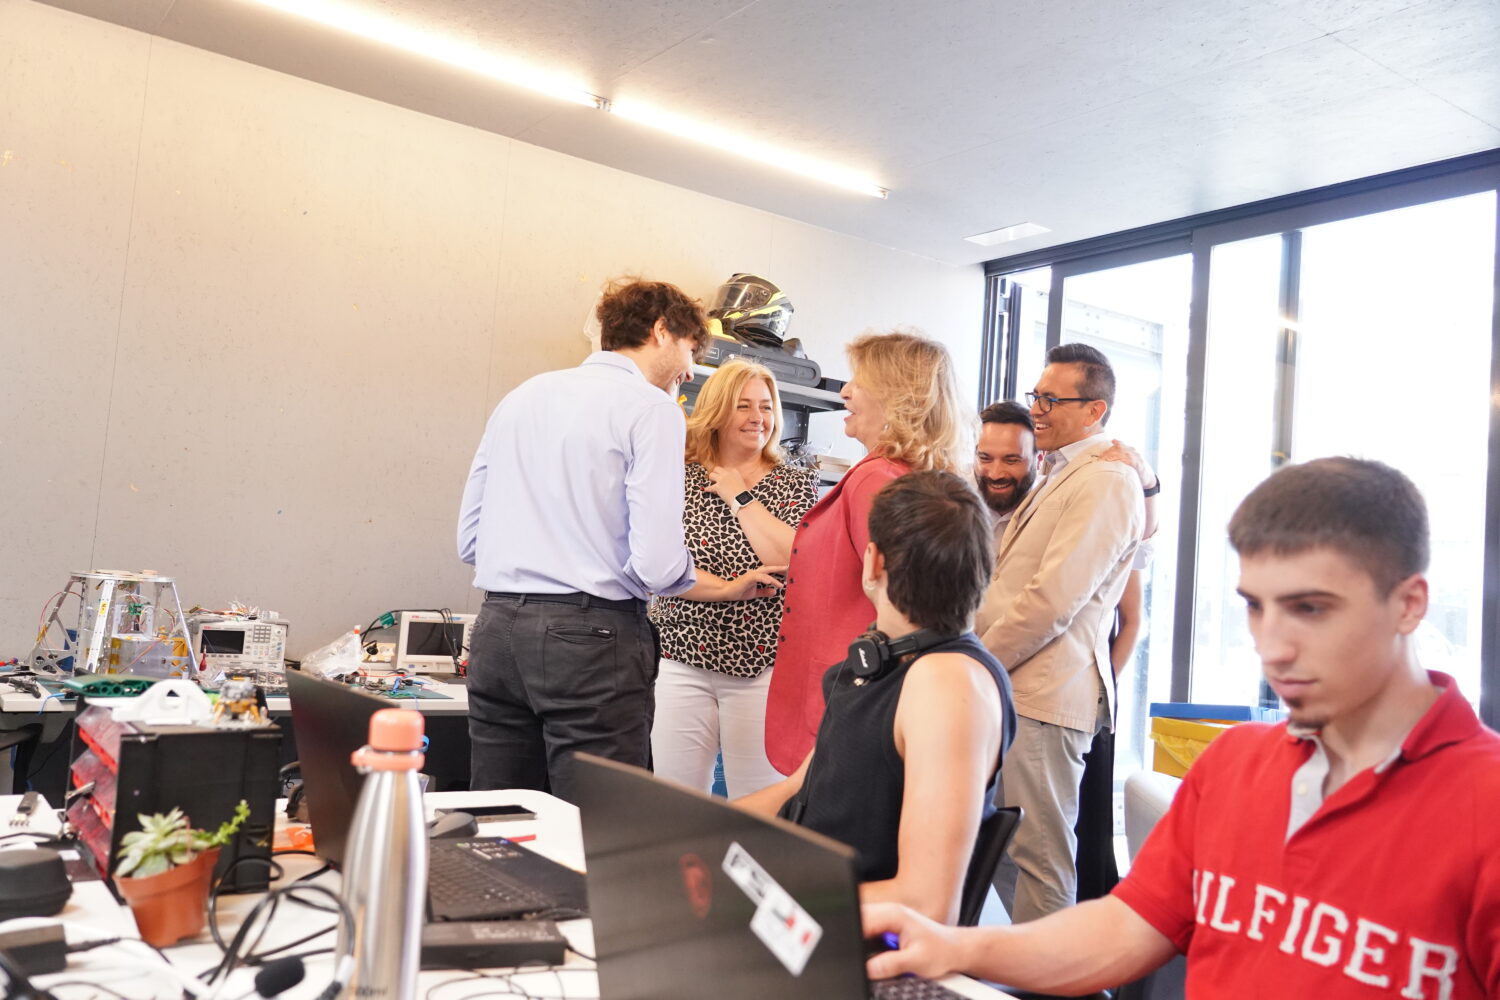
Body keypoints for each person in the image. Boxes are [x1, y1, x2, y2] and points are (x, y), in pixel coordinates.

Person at [864, 457, 1500, 1000]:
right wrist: (957, 948)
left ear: (1409, 604)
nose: (1272, 647)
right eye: (1256, 607)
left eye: (1310, 609)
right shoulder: (1233, 764)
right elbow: (1125, 929)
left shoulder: (1484, 804)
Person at [457, 278, 780, 802]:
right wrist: (704, 584)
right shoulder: (651, 408)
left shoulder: (521, 396)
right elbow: (657, 566)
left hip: (496, 630)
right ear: (661, 331)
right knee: (599, 821)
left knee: (500, 814)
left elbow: (469, 540)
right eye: (690, 350)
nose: (689, 371)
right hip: (591, 639)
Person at [739, 470, 1014, 924]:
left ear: (872, 563)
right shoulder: (880, 662)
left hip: (843, 937)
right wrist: (688, 839)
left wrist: (763, 903)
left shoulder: (946, 683)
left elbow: (926, 903)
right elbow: (796, 790)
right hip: (808, 910)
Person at [975, 343, 1144, 922]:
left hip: (1044, 697)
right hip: (1014, 690)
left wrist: (975, 663)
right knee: (1002, 852)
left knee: (1040, 861)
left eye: (1051, 399)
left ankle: (1053, 971)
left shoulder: (1107, 480)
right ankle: (1022, 963)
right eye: (1036, 395)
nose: (1037, 410)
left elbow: (1052, 602)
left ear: (1095, 411)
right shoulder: (1061, 472)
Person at [764, 330, 972, 774]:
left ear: (897, 396)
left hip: (852, 697)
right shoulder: (908, 476)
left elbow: (908, 612)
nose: (845, 391)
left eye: (859, 381)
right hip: (862, 693)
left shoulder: (876, 480)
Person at [648, 360, 818, 797]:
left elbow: (791, 559)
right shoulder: (679, 475)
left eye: (766, 406)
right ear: (718, 411)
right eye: (743, 406)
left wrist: (739, 496)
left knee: (757, 803)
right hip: (682, 657)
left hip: (761, 666)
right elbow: (662, 566)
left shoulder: (795, 483)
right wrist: (728, 589)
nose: (758, 417)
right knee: (675, 801)